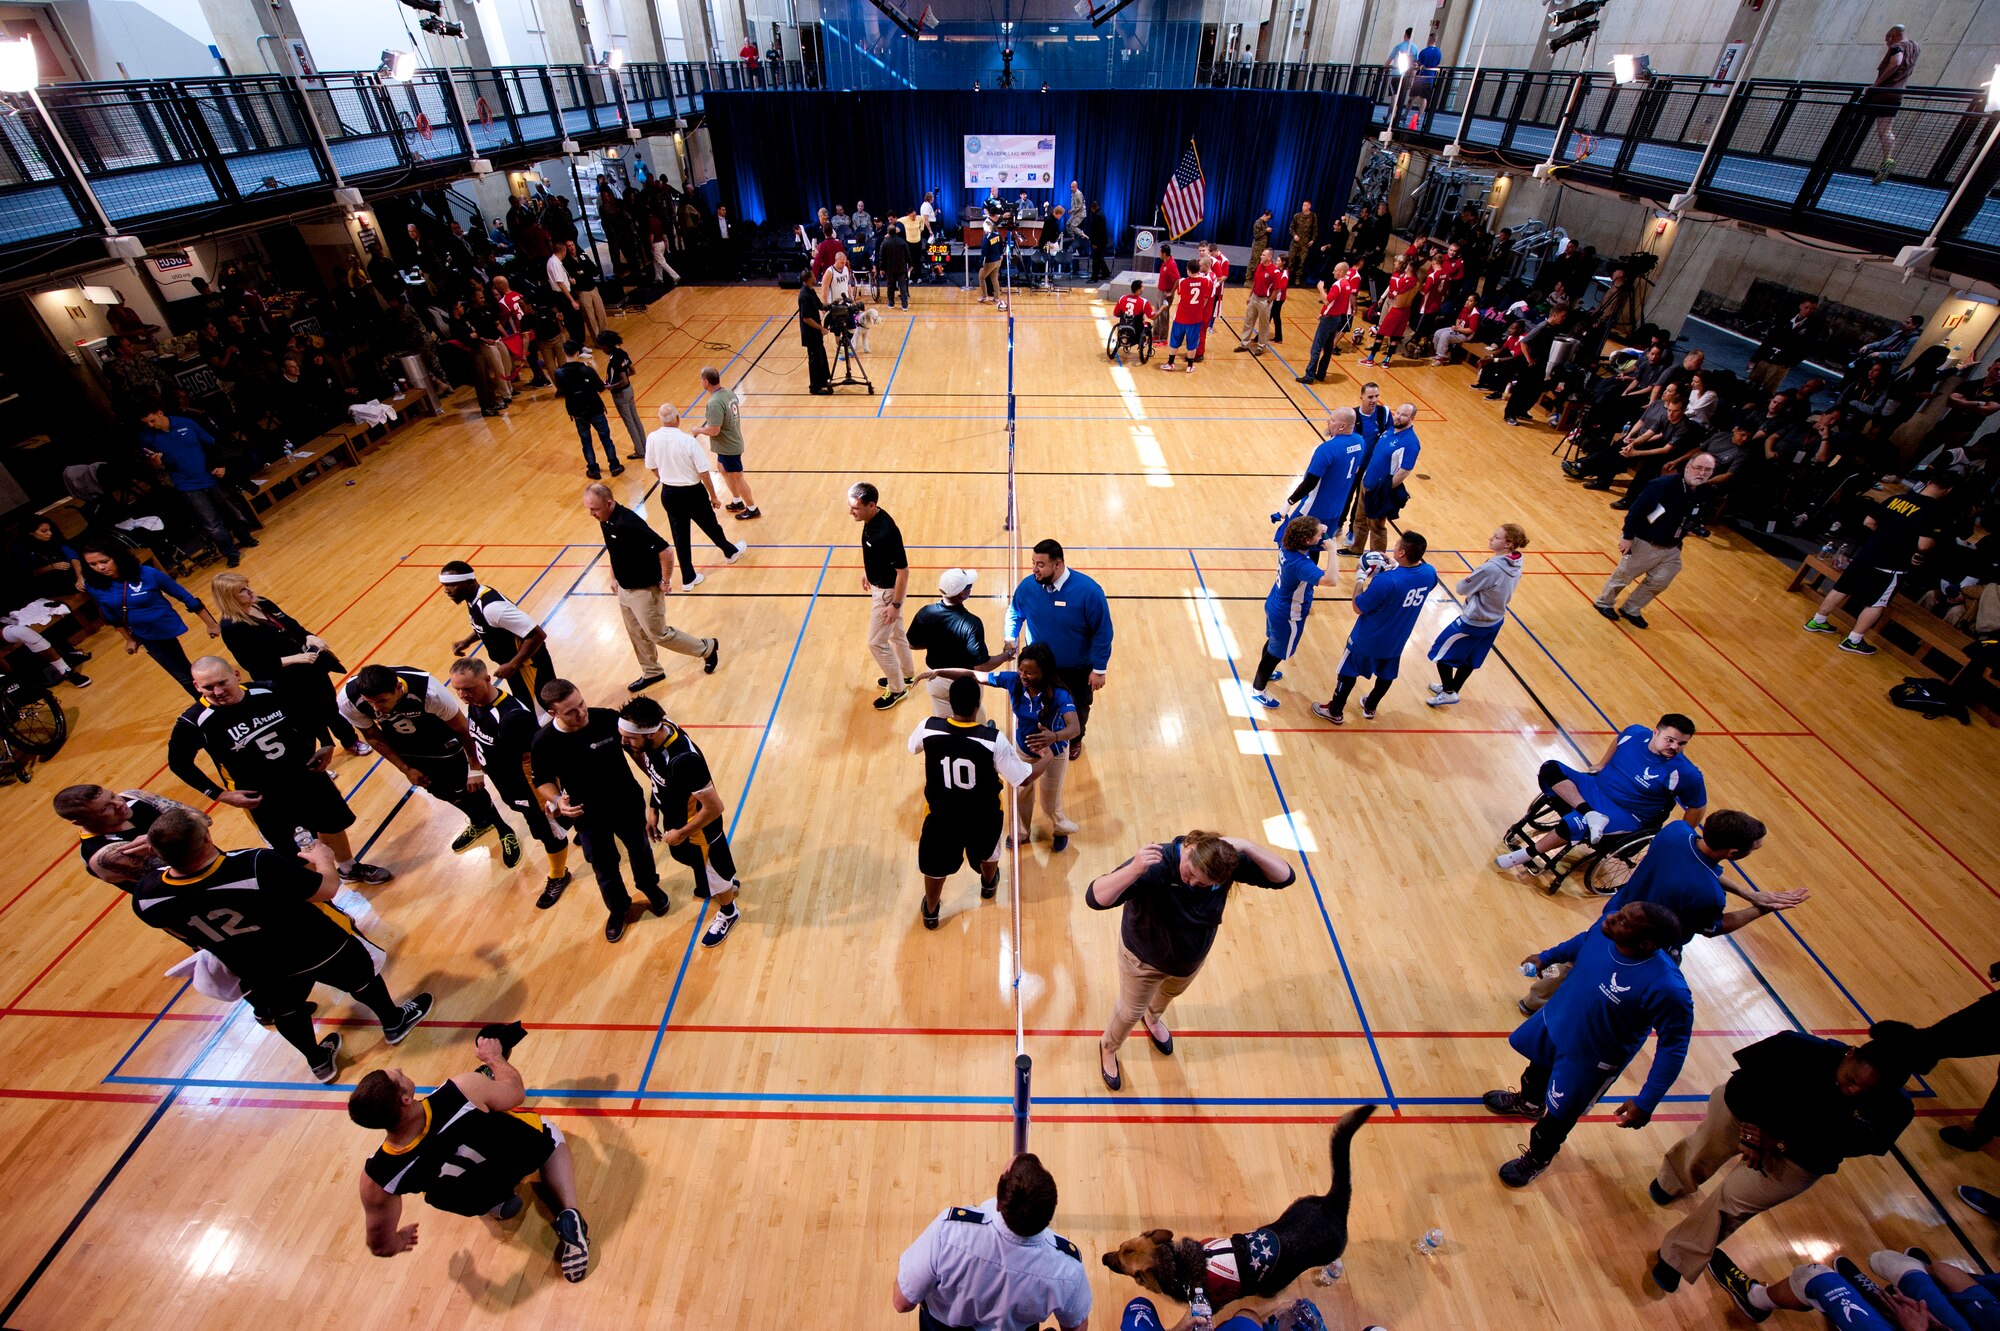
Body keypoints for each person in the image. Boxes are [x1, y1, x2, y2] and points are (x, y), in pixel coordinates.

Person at [131, 807, 431, 1082]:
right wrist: (324, 859)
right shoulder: (255, 864)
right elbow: (326, 889)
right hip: (313, 945)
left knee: (286, 1011)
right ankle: (394, 1021)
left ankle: (318, 1061)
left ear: (156, 852)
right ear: (207, 838)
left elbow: (184, 935)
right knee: (362, 978)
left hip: (254, 966)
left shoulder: (145, 895)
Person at [1645, 1029, 1918, 1295]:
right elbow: (1744, 1085)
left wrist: (1778, 1143)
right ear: (1850, 1055)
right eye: (1851, 1080)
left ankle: (1676, 1258)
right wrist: (1752, 1131)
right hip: (1744, 1114)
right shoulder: (1796, 1047)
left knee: (1731, 1206)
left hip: (1798, 1157)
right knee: (1704, 1147)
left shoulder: (1896, 1111)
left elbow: (1846, 1145)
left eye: (1865, 1092)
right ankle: (1673, 1180)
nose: (1852, 1091)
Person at [348, 1031, 592, 1282]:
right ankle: (569, 1212)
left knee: (449, 1190)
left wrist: (399, 1240)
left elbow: (380, 1245)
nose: (400, 1068)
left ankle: (498, 1204)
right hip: (518, 1154)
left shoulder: (378, 1176)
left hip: (474, 1194)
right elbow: (515, 1092)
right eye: (398, 1075)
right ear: (406, 1098)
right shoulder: (461, 1090)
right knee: (551, 1138)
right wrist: (495, 1058)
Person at [1481, 901, 1693, 1186]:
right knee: (1536, 1072)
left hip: (1590, 1060)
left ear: (1646, 944)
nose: (1612, 917)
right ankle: (1528, 1103)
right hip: (1557, 1023)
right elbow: (1583, 941)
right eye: (1621, 912)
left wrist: (1647, 1100)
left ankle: (1538, 1156)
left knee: (1558, 1116)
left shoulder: (1667, 988)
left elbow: (1674, 1046)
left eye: (1624, 921)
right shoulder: (1606, 932)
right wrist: (1547, 956)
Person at [1086, 831, 1296, 1091]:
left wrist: (1247, 846)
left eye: (1204, 884)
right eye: (1190, 873)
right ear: (1191, 847)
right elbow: (1095, 897)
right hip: (1142, 961)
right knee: (1130, 1012)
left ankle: (1152, 1019)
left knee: (1166, 996)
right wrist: (1134, 870)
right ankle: (1108, 1047)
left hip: (1187, 962)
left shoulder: (1222, 864)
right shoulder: (1156, 864)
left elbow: (1285, 877)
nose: (1193, 883)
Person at [171, 656, 393, 883]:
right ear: (197, 686)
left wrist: (326, 742)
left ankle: (349, 869)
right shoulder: (194, 721)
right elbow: (179, 763)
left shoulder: (268, 691)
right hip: (262, 796)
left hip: (306, 774)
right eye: (208, 687)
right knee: (292, 849)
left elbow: (307, 712)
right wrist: (219, 794)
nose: (217, 691)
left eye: (222, 683)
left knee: (331, 823)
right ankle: (321, 894)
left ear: (236, 675)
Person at [532, 677, 670, 942]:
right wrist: (558, 799)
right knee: (604, 866)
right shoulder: (544, 741)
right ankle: (618, 908)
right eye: (571, 711)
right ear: (553, 713)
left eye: (581, 703)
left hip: (626, 802)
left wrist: (656, 788)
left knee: (640, 850)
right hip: (588, 815)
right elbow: (541, 780)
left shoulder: (607, 719)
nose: (581, 712)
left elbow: (637, 753)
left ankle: (650, 887)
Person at [893, 1152, 1092, 1331]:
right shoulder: (1068, 1268)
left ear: (998, 1203)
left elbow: (902, 1303)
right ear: (1050, 1213)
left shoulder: (950, 1232)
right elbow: (1076, 1326)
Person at [1494, 712, 1709, 872]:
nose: (1674, 747)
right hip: (1595, 788)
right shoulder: (1635, 733)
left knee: (1574, 824)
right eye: (1670, 740)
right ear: (1655, 732)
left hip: (1625, 814)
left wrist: (1682, 832)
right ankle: (1589, 812)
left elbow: (1697, 806)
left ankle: (1524, 855)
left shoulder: (1686, 773)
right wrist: (1602, 764)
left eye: (1682, 744)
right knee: (1551, 768)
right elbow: (1618, 741)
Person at [339, 662, 515, 857]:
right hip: (406, 746)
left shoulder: (429, 691)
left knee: (468, 789)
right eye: (369, 702)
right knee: (440, 791)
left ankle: (503, 829)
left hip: (440, 739)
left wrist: (474, 767)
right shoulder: (348, 699)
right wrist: (406, 769)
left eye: (381, 701)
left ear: (398, 688)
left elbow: (463, 729)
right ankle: (480, 822)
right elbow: (373, 737)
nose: (376, 709)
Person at [922, 641, 1081, 853]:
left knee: (1049, 802)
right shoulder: (1013, 681)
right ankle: (1021, 832)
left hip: (1054, 752)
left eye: (1029, 673)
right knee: (1021, 792)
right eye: (1021, 670)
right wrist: (939, 672)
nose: (1023, 676)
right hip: (1023, 749)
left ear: (1043, 672)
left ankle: (1060, 828)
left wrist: (1054, 737)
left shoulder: (1060, 695)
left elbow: (1075, 727)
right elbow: (972, 675)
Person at [905, 675, 1034, 929]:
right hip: (982, 816)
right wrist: (1049, 756)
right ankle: (988, 885)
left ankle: (931, 910)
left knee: (935, 864)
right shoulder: (993, 739)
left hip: (941, 816)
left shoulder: (928, 727)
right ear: (977, 706)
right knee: (989, 853)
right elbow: (1021, 779)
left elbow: (913, 748)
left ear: (950, 703)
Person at [618, 695, 743, 948]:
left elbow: (715, 808)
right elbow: (656, 776)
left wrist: (683, 833)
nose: (623, 742)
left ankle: (729, 912)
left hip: (700, 829)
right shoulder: (658, 735)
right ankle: (724, 884)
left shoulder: (684, 760)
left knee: (712, 869)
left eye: (629, 738)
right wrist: (654, 809)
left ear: (650, 734)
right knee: (697, 865)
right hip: (677, 820)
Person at [447, 657, 572, 908]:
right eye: (457, 688)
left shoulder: (511, 717)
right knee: (556, 822)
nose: (462, 694)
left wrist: (543, 799)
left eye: (468, 688)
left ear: (487, 679)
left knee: (549, 832)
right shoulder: (478, 703)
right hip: (507, 783)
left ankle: (559, 875)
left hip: (527, 786)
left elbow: (536, 760)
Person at [583, 482, 720, 692]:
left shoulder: (629, 523)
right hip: (624, 590)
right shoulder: (606, 521)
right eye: (589, 509)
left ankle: (706, 648)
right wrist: (614, 577)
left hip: (645, 591)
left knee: (659, 634)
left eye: (595, 509)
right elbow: (614, 551)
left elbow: (665, 551)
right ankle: (652, 671)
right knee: (636, 632)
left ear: (609, 503)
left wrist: (666, 581)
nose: (591, 513)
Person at [1802, 471, 1952, 656]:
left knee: (1842, 587)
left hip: (1867, 553)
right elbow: (1924, 544)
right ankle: (1854, 640)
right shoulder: (1934, 512)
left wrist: (1882, 539)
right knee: (1877, 603)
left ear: (1929, 482)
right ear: (1948, 491)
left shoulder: (1898, 498)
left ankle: (1818, 620)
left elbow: (1869, 522)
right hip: (1892, 564)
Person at [212, 572, 364, 754]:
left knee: (329, 708)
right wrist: (293, 659)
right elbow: (252, 664)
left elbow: (291, 625)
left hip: (309, 668)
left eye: (247, 586)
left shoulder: (262, 603)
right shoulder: (232, 627)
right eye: (242, 591)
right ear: (230, 598)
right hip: (283, 681)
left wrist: (309, 636)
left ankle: (350, 741)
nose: (250, 591)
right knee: (306, 721)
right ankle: (316, 759)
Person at [1313, 530, 1437, 725]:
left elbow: (1357, 607)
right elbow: (1418, 581)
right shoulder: (1430, 573)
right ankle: (1370, 706)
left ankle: (1335, 710)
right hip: (1397, 639)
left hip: (1367, 638)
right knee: (1386, 674)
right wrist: (1396, 565)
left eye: (1397, 545)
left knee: (1348, 671)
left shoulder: (1386, 581)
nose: (1394, 547)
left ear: (1402, 553)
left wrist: (1360, 578)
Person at [1006, 539, 1113, 757]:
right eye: (1033, 562)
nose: (1034, 569)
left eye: (1040, 564)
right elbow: (1015, 613)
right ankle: (1042, 736)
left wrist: (1099, 669)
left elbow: (1102, 632)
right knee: (1040, 705)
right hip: (1040, 668)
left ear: (1058, 564)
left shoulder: (1089, 592)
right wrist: (1010, 636)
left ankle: (1074, 740)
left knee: (1078, 708)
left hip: (1077, 670)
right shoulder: (1028, 587)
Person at [1591, 450, 1716, 628]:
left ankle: (1631, 608)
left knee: (1661, 580)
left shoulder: (1703, 491)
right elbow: (1636, 511)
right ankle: (1604, 602)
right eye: (1699, 468)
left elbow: (1696, 515)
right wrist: (1627, 537)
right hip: (1645, 541)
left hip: (1672, 546)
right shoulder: (1662, 484)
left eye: (1708, 470)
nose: (1702, 473)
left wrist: (1691, 529)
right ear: (1689, 466)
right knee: (1624, 575)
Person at [79, 540, 218, 698]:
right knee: (184, 676)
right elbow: (111, 616)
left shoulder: (148, 573)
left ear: (117, 557)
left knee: (190, 670)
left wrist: (211, 624)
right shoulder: (94, 585)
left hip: (163, 624)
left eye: (104, 561)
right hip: (145, 634)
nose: (100, 568)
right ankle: (208, 704)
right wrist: (129, 639)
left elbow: (185, 597)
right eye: (93, 564)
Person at [136, 407, 258, 567]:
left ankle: (245, 536)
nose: (151, 425)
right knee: (210, 522)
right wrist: (157, 464)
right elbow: (153, 467)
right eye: (147, 423)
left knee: (231, 509)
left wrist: (221, 465)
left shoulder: (185, 422)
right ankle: (230, 552)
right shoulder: (146, 437)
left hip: (210, 474)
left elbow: (212, 444)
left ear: (160, 413)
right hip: (185, 483)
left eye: (152, 420)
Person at [646, 402, 744, 589]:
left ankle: (688, 577)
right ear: (677, 418)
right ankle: (730, 553)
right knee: (710, 526)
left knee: (680, 535)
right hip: (692, 492)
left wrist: (666, 479)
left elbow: (652, 466)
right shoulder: (687, 441)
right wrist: (713, 497)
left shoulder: (652, 438)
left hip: (669, 492)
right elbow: (704, 473)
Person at [1426, 523, 1526, 706]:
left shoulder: (1491, 568)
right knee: (1470, 658)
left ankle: (1448, 692)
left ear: (1508, 543)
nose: (1491, 538)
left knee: (1441, 653)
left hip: (1474, 621)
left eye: (1496, 537)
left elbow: (1461, 588)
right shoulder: (1518, 561)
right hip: (1495, 620)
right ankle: (1453, 689)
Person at [440, 561, 556, 716]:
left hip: (527, 666)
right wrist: (466, 641)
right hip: (515, 666)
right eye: (444, 585)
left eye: (452, 585)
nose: (447, 590)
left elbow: (537, 635)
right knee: (527, 707)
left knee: (541, 710)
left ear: (470, 581)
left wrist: (513, 665)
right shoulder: (474, 598)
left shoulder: (492, 608)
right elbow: (488, 626)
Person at [906, 568, 1013, 716]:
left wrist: (935, 642)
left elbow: (912, 643)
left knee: (944, 727)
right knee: (973, 726)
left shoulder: (925, 612)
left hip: (935, 679)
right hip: (965, 684)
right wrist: (1007, 654)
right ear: (962, 594)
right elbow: (982, 668)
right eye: (969, 586)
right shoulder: (971, 623)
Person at [849, 481, 917, 710]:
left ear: (871, 505)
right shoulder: (870, 519)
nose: (851, 512)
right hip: (881, 584)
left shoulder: (886, 532)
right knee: (897, 634)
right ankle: (907, 675)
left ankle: (897, 689)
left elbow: (903, 572)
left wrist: (895, 604)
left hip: (888, 594)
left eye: (855, 508)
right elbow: (875, 554)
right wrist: (869, 572)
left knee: (876, 642)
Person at [1249, 517, 1329, 708]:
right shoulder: (1300, 564)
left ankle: (1265, 675)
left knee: (1271, 644)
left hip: (1275, 602)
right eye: (1318, 534)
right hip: (1288, 614)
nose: (1322, 535)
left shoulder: (1287, 544)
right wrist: (1333, 551)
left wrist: (1320, 530)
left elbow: (1312, 535)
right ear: (1307, 540)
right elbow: (1330, 579)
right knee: (1274, 655)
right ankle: (1258, 689)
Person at [52, 784, 193, 885]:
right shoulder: (105, 854)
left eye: (113, 795)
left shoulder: (133, 796)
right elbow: (179, 870)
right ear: (80, 822)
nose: (119, 803)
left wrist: (162, 840)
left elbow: (203, 819)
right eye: (105, 808)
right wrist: (180, 830)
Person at [690, 365, 761, 520]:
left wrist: (698, 430)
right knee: (722, 469)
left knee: (737, 477)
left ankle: (752, 508)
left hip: (729, 446)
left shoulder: (714, 402)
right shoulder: (728, 393)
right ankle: (737, 501)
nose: (700, 382)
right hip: (730, 442)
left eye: (701, 379)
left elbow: (714, 430)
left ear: (706, 382)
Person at [1350, 402, 1420, 554]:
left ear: (1412, 418)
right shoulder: (1389, 430)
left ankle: (1378, 558)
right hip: (1366, 482)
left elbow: (1405, 471)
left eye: (1404, 415)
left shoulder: (1411, 442)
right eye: (1398, 413)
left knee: (1376, 526)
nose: (1399, 417)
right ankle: (1355, 549)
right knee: (1360, 519)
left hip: (1379, 490)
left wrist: (1384, 489)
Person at [553, 341, 621, 480]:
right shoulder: (586, 370)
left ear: (564, 352)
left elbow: (562, 390)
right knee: (605, 438)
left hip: (577, 411)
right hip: (594, 408)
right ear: (578, 353)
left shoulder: (559, 373)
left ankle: (593, 469)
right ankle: (614, 465)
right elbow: (601, 387)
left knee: (586, 441)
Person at [1865, 25, 1920, 184]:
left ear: (1894, 35)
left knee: (1854, 117)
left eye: (1888, 39)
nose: (1887, 44)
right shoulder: (1915, 47)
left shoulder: (1898, 47)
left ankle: (1832, 158)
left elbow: (1896, 62)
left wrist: (1876, 85)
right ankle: (1887, 158)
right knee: (1886, 128)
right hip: (1897, 94)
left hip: (1883, 93)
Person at [1748, 298, 1826, 396]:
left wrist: (1791, 362)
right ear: (1801, 306)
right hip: (1765, 357)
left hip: (1781, 363)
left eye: (1812, 309)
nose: (1808, 311)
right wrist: (1755, 357)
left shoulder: (1813, 327)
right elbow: (1768, 339)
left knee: (1768, 390)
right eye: (1806, 307)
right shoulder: (1784, 318)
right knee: (1751, 383)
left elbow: (1808, 347)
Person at [1298, 262, 1361, 384]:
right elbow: (1336, 303)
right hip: (1337, 317)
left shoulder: (1337, 285)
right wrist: (1323, 312)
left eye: (1335, 270)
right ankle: (1321, 373)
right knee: (1328, 348)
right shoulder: (1347, 284)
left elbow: (1327, 300)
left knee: (1316, 347)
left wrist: (1320, 288)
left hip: (1329, 319)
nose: (1333, 272)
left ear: (1341, 272)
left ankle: (1309, 375)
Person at [594, 330, 647, 461]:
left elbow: (623, 380)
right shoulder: (622, 353)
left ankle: (640, 451)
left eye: (601, 346)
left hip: (621, 394)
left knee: (630, 423)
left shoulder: (614, 360)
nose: (601, 349)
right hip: (629, 391)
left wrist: (610, 386)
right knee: (636, 419)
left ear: (606, 345)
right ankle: (645, 447)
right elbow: (632, 371)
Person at [1159, 256, 1216, 373]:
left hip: (1181, 317)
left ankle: (1170, 363)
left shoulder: (1182, 282)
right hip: (1195, 318)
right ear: (1198, 270)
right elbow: (1205, 299)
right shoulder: (1207, 281)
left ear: (1188, 270)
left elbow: (1180, 293)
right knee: (1192, 342)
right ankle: (1190, 366)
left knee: (1175, 340)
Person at [1235, 249, 1284, 355]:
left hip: (1264, 300)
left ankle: (1261, 346)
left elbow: (1277, 289)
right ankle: (1244, 344)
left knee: (1263, 325)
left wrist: (1269, 300)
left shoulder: (1275, 272)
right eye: (1261, 254)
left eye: (1263, 255)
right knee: (1248, 321)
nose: (1261, 256)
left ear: (1269, 257)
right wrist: (1250, 296)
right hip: (1254, 298)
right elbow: (1255, 282)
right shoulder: (1259, 266)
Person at [879, 221, 911, 311]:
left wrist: (881, 268)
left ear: (888, 232)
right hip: (901, 268)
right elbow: (908, 254)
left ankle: (891, 303)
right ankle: (904, 306)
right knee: (902, 286)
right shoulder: (902, 241)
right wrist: (910, 264)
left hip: (889, 269)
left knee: (890, 286)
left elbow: (881, 256)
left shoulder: (885, 242)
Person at [978, 222, 1006, 305]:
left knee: (981, 277)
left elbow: (984, 252)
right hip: (998, 260)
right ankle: (997, 298)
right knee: (994, 279)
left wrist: (981, 264)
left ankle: (985, 297)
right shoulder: (998, 235)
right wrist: (1001, 255)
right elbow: (1002, 246)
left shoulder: (987, 238)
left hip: (990, 261)